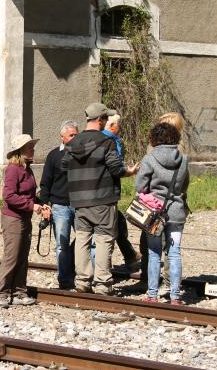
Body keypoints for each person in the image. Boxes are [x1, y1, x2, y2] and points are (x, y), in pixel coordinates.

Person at [63, 103, 138, 295]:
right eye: (105, 119)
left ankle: (82, 281)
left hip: (80, 201)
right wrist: (128, 172)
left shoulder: (72, 143)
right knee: (104, 240)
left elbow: (64, 165)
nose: (106, 122)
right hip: (103, 200)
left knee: (82, 239)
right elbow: (116, 168)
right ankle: (103, 284)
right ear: (101, 120)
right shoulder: (106, 142)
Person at [136, 122, 189, 305]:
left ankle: (152, 294)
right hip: (176, 211)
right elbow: (184, 185)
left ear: (154, 138)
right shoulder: (183, 159)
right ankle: (175, 296)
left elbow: (140, 187)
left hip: (154, 213)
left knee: (154, 253)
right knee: (174, 253)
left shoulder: (149, 159)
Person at [0, 134, 48, 306]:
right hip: (13, 218)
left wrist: (42, 204)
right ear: (21, 150)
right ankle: (1, 292)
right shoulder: (13, 169)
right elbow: (9, 196)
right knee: (12, 255)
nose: (33, 149)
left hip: (25, 217)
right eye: (30, 147)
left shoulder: (28, 169)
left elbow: (30, 194)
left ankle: (19, 291)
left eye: (32, 146)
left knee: (23, 255)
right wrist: (32, 206)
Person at [39, 120, 78, 290]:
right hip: (60, 206)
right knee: (61, 244)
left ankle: (82, 275)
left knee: (86, 240)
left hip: (80, 205)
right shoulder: (54, 155)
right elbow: (45, 183)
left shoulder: (83, 155)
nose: (75, 138)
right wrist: (44, 206)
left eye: (77, 134)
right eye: (71, 135)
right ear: (62, 137)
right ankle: (65, 279)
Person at [102, 112, 141, 269]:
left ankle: (129, 255)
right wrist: (129, 171)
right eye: (119, 125)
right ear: (112, 126)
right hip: (107, 190)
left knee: (115, 223)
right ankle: (110, 261)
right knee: (110, 226)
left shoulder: (103, 138)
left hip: (103, 190)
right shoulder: (111, 140)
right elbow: (115, 167)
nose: (120, 128)